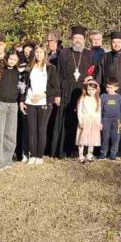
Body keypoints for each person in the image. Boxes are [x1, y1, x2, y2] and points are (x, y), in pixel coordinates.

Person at [51, 26, 93, 158]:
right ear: (71, 39)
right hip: (65, 90)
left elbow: (92, 73)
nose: (77, 41)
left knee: (80, 120)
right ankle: (63, 151)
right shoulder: (63, 53)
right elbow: (57, 74)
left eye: (80, 38)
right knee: (65, 119)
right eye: (75, 38)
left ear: (84, 40)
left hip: (82, 91)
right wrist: (57, 94)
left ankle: (77, 151)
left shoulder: (89, 54)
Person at [21, 45, 59, 165]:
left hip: (44, 102)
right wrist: (22, 100)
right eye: (36, 52)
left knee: (41, 129)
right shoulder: (29, 68)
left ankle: (39, 155)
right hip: (30, 102)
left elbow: (55, 88)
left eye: (41, 52)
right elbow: (24, 86)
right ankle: (33, 155)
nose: (38, 54)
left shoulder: (51, 68)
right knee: (31, 129)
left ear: (45, 54)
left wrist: (43, 95)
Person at [0, 49, 21, 171]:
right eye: (11, 58)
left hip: (13, 105)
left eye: (15, 60)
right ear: (7, 58)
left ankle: (7, 160)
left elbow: (21, 89)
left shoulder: (18, 73)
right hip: (0, 104)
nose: (12, 61)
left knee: (10, 134)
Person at [98, 79, 121, 160]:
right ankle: (103, 154)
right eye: (107, 87)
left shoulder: (119, 97)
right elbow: (99, 110)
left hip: (117, 121)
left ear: (116, 88)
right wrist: (100, 122)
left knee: (115, 138)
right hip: (105, 120)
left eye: (111, 87)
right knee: (105, 137)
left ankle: (113, 154)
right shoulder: (103, 96)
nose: (109, 89)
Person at [76, 77, 102, 163]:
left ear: (96, 90)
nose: (90, 92)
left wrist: (99, 122)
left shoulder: (98, 100)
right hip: (85, 121)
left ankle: (89, 155)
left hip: (93, 121)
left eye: (92, 90)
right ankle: (81, 156)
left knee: (92, 138)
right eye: (88, 89)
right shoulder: (83, 98)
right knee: (82, 139)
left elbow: (98, 112)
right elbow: (79, 111)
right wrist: (80, 121)